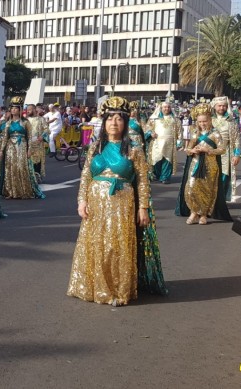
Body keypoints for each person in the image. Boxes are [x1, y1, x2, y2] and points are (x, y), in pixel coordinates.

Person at [67, 96, 157, 306]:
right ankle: (97, 287)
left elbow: (143, 180)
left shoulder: (134, 148)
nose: (114, 123)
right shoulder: (96, 146)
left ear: (125, 123)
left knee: (117, 246)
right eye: (110, 118)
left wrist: (143, 207)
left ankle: (118, 289)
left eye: (119, 119)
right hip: (96, 203)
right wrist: (82, 201)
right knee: (97, 244)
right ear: (104, 122)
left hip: (122, 203)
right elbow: (86, 177)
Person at [175, 103, 232, 225]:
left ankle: (204, 214)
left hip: (210, 165)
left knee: (207, 189)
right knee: (191, 188)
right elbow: (187, 149)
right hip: (195, 164)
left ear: (210, 120)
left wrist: (209, 150)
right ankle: (193, 212)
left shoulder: (215, 134)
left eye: (204, 121)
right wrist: (192, 150)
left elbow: (222, 149)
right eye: (200, 122)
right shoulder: (195, 134)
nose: (202, 124)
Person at [0, 96, 45, 199]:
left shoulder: (25, 122)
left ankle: (23, 190)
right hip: (10, 147)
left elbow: (29, 137)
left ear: (20, 109)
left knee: (21, 167)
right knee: (10, 168)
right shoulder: (7, 123)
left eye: (16, 108)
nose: (13, 110)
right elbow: (4, 138)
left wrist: (29, 149)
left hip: (22, 146)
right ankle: (10, 191)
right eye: (12, 108)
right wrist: (1, 151)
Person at [211, 96, 241, 201]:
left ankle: (220, 200)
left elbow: (237, 140)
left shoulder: (231, 121)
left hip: (226, 153)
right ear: (214, 106)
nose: (222, 108)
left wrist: (237, 154)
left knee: (224, 177)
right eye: (219, 106)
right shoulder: (209, 120)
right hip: (210, 152)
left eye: (224, 106)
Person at [146, 101, 180, 184]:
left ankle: (165, 177)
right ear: (161, 108)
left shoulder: (175, 119)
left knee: (167, 161)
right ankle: (157, 175)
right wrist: (150, 134)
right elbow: (147, 129)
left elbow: (179, 132)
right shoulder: (154, 118)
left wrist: (179, 142)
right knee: (156, 159)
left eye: (168, 107)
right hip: (156, 142)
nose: (166, 109)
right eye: (164, 107)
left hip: (169, 143)